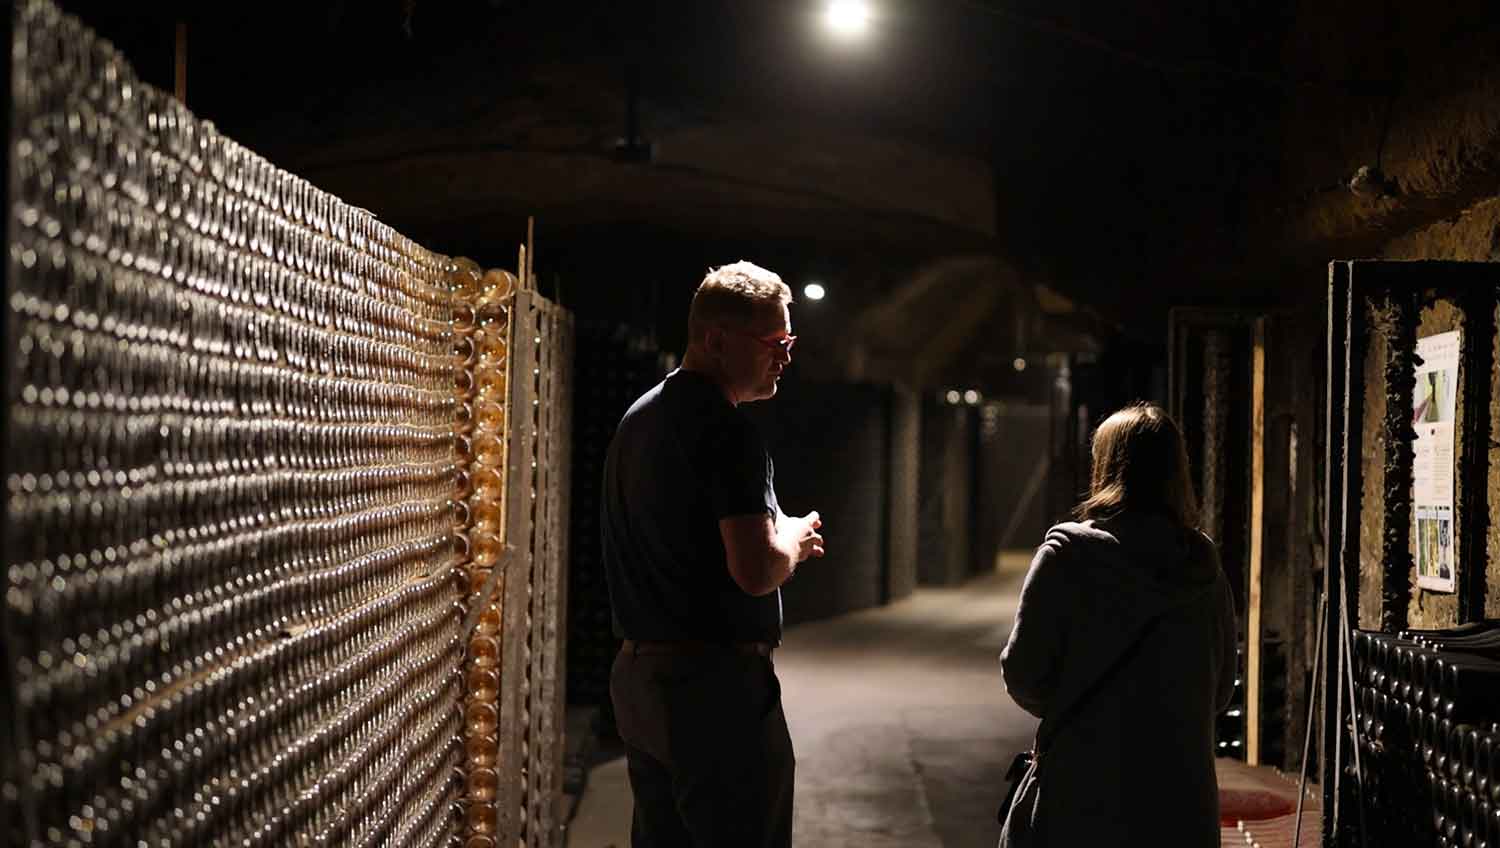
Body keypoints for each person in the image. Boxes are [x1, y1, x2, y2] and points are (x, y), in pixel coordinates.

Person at [602, 261, 826, 848]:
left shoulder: (639, 418)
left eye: (789, 340)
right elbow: (754, 571)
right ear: (716, 340)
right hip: (714, 689)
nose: (785, 356)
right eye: (773, 342)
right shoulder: (729, 432)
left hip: (640, 681)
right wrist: (794, 545)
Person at [998, 402, 1237, 847]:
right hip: (1180, 806)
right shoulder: (1204, 569)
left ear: (1105, 466)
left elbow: (1025, 676)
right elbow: (1221, 690)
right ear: (1176, 472)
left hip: (1081, 801)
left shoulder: (1066, 558)